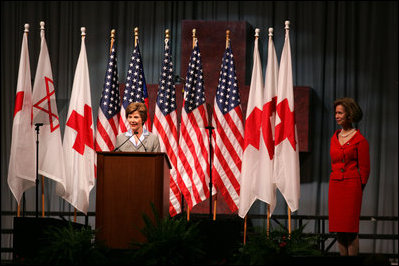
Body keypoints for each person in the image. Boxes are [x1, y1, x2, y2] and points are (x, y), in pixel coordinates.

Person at [328, 97, 370, 256]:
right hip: (335, 186)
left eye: (340, 113)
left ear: (349, 115)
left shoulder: (360, 140)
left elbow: (365, 170)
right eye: (336, 113)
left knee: (350, 230)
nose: (336, 116)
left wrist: (357, 188)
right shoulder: (334, 137)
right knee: (339, 229)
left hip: (351, 188)